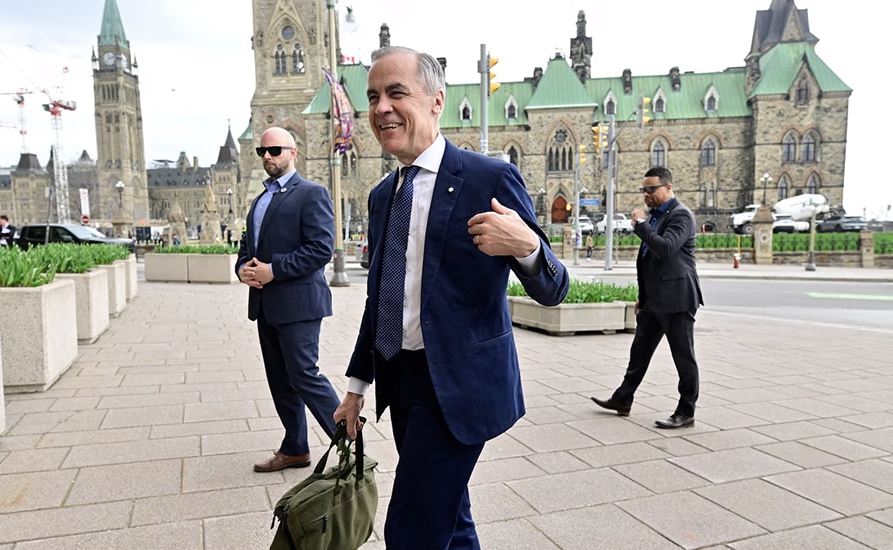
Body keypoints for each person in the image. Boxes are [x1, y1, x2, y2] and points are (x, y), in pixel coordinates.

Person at [333, 46, 569, 549]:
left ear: (437, 100)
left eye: (397, 93)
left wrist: (526, 246)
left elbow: (553, 289)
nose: (381, 108)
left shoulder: (488, 178)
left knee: (411, 529)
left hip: (459, 386)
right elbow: (381, 298)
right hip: (402, 379)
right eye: (373, 97)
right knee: (451, 519)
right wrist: (356, 387)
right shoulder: (382, 196)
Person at [238, 127, 341, 473]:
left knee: (304, 375)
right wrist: (242, 268)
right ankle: (295, 448)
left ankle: (352, 447)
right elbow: (248, 246)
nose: (268, 156)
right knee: (280, 381)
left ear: (293, 152)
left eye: (275, 150)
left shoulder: (311, 193)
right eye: (262, 151)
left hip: (299, 306)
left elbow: (320, 249)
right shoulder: (260, 200)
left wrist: (274, 270)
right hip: (265, 305)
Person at [591, 166, 703, 429]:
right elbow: (646, 262)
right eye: (644, 189)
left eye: (651, 189)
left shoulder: (681, 215)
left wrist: (641, 225)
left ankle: (686, 411)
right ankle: (623, 399)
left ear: (668, 187)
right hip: (654, 300)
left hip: (677, 299)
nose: (646, 194)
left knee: (683, 357)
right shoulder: (655, 217)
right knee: (639, 352)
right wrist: (643, 297)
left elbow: (665, 249)